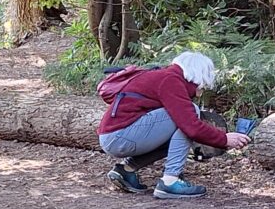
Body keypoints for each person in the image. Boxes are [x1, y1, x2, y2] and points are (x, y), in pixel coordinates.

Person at [95, 51, 250, 200]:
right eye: (202, 85)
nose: (201, 92)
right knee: (190, 115)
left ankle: (126, 170)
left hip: (115, 136)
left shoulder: (164, 76)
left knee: (178, 129)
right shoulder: (170, 81)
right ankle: (170, 181)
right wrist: (224, 139)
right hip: (120, 137)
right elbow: (191, 127)